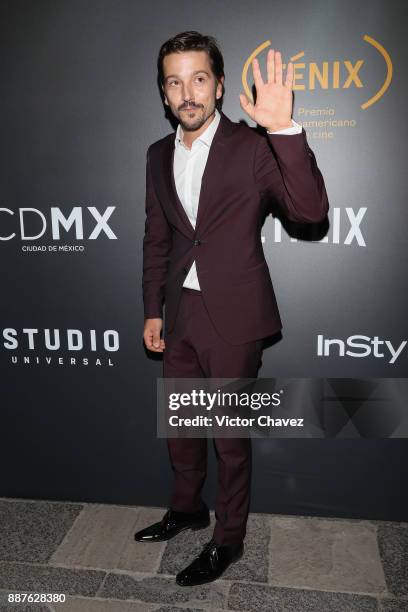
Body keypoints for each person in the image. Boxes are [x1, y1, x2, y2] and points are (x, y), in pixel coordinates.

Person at [135, 30, 329, 586]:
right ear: (164, 92)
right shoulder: (156, 155)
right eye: (175, 82)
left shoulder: (252, 147)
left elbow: (312, 211)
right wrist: (154, 309)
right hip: (182, 311)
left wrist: (283, 129)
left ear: (219, 86)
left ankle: (229, 538)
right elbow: (158, 239)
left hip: (237, 316)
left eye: (198, 79)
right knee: (182, 426)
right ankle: (188, 507)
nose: (187, 93)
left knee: (227, 436)